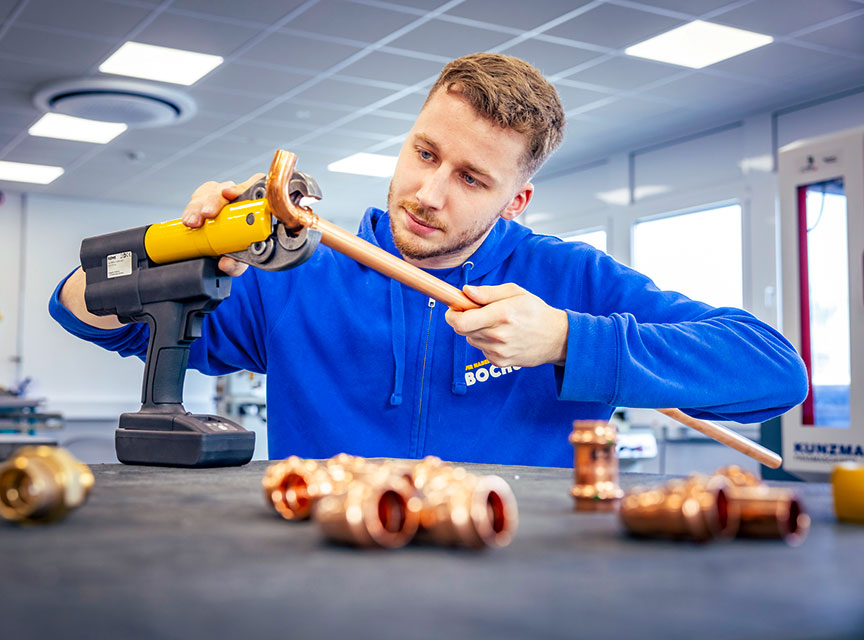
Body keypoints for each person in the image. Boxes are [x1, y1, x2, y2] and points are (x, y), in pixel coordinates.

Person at [51, 53, 807, 467]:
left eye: (471, 178)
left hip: (517, 589)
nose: (427, 192)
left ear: (518, 200)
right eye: (424, 152)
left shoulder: (572, 282)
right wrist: (195, 246)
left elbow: (776, 373)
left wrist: (570, 341)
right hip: (323, 579)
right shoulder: (299, 274)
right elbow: (83, 306)